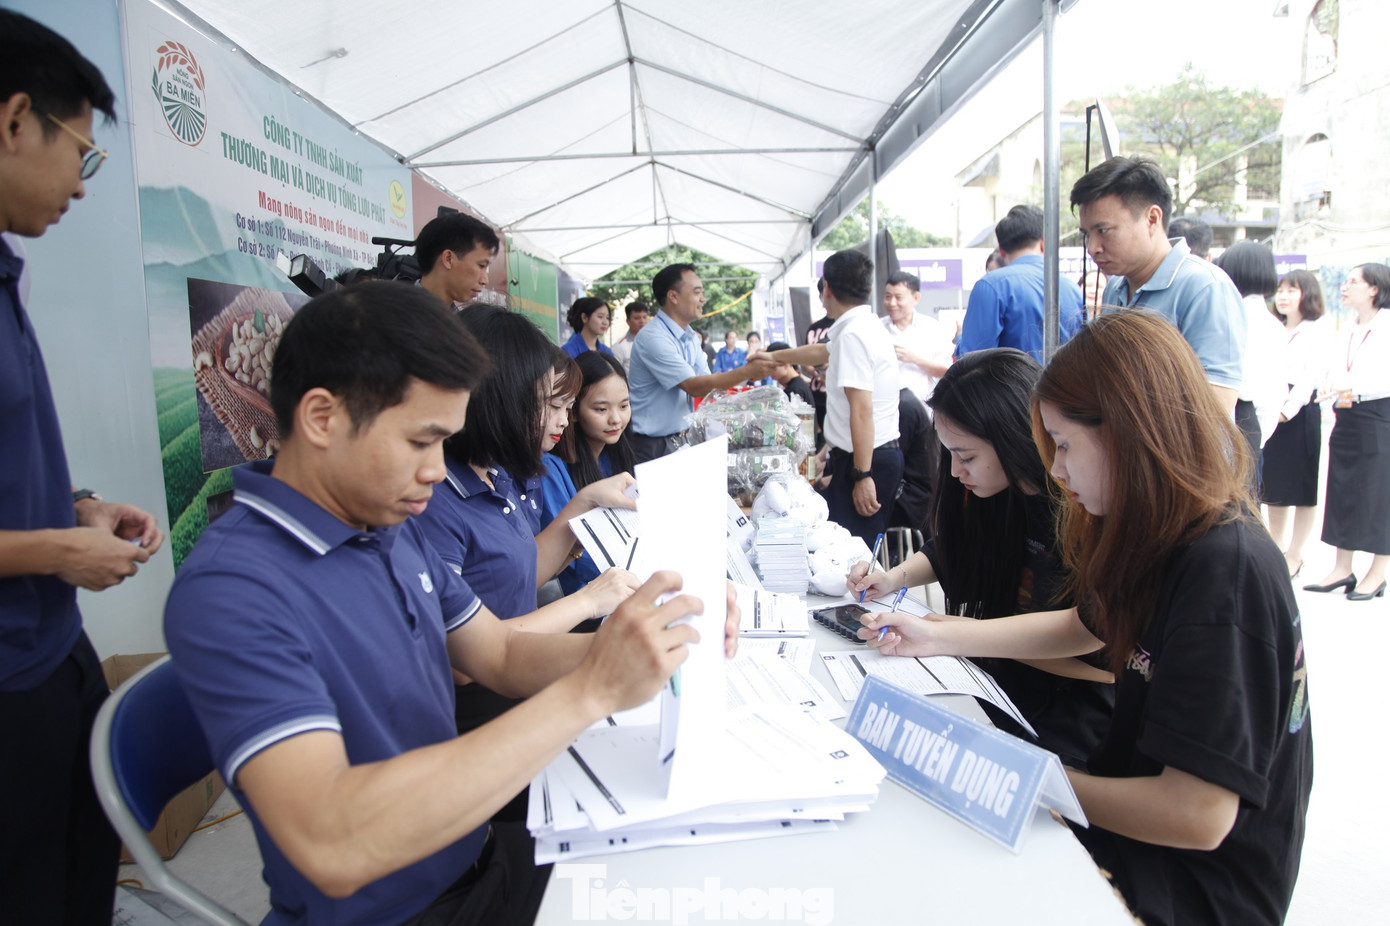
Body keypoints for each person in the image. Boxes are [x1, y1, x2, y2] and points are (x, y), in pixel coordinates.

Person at [165, 283, 741, 926]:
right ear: (322, 417)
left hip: (478, 853)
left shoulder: (384, 525)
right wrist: (591, 691)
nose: (438, 471)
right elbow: (331, 840)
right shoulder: (236, 591)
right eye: (420, 441)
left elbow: (498, 650)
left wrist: (646, 642)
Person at [861, 311, 1312, 926]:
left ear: (1132, 433)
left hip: (1187, 887)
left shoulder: (1223, 569)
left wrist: (1030, 777)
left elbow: (1198, 815)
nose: (1055, 470)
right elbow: (1084, 625)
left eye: (1065, 445)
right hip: (1127, 826)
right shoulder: (1162, 533)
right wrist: (940, 635)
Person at [0, 15, 165, 924]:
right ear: (15, 119)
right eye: (82, 155)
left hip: (47, 653)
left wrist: (78, 508)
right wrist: (55, 553)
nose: (81, 184)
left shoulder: (5, 269)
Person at [849, 349, 1112, 765]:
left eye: (966, 456)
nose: (955, 472)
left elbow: (1095, 652)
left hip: (1069, 717)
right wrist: (893, 577)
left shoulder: (1082, 510)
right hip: (1002, 684)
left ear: (1013, 436)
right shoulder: (996, 493)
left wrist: (950, 633)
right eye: (949, 453)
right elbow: (954, 549)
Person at [1070, 156, 1246, 414]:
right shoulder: (1115, 287)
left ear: (1152, 218)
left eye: (1104, 230)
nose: (1093, 248)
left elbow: (1215, 407)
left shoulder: (1205, 288)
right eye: (1087, 235)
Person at [763, 250, 902, 545]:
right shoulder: (859, 326)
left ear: (826, 288)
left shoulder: (853, 334)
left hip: (867, 460)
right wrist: (774, 355)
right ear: (869, 287)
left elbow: (861, 410)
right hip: (865, 456)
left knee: (851, 554)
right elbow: (821, 351)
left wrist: (863, 475)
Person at [627, 263, 774, 463]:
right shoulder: (653, 338)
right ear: (673, 296)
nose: (703, 298)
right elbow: (694, 386)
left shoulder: (689, 337)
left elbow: (708, 384)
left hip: (679, 438)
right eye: (697, 292)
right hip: (651, 444)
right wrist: (747, 370)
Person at [1304, 263, 1390, 601]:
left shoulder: (1386, 326)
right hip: (1347, 413)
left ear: (1373, 289)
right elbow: (1341, 367)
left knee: (1378, 492)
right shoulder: (1349, 327)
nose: (1345, 286)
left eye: (1353, 281)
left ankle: (1378, 571)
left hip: (1378, 413)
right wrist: (1333, 384)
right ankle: (1342, 567)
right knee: (1342, 487)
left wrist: (1346, 383)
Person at [542, 351, 638, 596]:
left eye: (624, 406)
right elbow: (575, 565)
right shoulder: (552, 469)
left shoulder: (613, 456)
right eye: (601, 409)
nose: (616, 419)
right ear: (573, 411)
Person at [1263, 270, 1330, 577]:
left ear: (1308, 294)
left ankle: (1296, 553)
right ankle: (1276, 546)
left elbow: (1311, 378)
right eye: (1281, 290)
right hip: (1272, 406)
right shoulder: (1274, 328)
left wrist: (1286, 410)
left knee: (1302, 488)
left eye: (1292, 290)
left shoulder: (1317, 330)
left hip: (1299, 411)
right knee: (1275, 484)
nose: (1284, 295)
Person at [956, 205, 1085, 363]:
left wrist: (961, 337)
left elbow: (973, 360)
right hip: (1063, 386)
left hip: (1012, 387)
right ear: (1044, 243)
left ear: (1002, 251)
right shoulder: (1072, 289)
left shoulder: (991, 286)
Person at [1213, 241, 1288, 474]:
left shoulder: (1228, 313)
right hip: (1254, 425)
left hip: (1232, 418)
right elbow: (1276, 390)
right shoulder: (1274, 323)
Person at [881, 270, 953, 403]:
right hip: (885, 409)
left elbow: (947, 371)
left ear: (916, 298)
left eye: (899, 297)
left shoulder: (932, 328)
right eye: (887, 296)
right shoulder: (877, 328)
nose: (892, 303)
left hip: (921, 409)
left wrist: (914, 359)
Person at [415, 211, 500, 309]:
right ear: (448, 259)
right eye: (481, 265)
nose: (485, 280)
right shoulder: (397, 314)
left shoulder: (462, 322)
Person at [765, 340, 815, 407]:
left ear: (785, 363)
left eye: (772, 366)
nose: (768, 370)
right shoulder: (796, 385)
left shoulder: (795, 390)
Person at [611, 299, 650, 371]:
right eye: (637, 318)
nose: (642, 321)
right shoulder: (620, 346)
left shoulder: (654, 342)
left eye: (644, 317)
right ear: (628, 321)